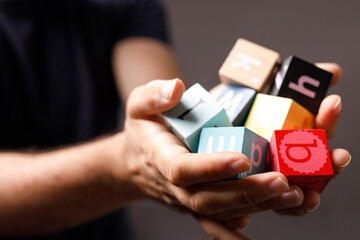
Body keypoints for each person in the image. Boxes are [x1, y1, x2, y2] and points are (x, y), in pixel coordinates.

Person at [0, 0, 351, 239]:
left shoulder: (127, 5)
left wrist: (186, 153)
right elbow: (140, 150)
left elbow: (164, 111)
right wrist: (123, 163)